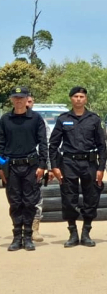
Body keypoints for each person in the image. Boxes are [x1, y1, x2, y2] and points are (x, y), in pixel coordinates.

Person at [48, 86, 107, 247]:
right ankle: (73, 233)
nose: (79, 99)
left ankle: (86, 232)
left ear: (86, 99)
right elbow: (53, 145)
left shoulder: (94, 119)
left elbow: (102, 146)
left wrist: (101, 168)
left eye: (82, 96)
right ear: (71, 99)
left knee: (92, 196)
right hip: (68, 163)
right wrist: (54, 166)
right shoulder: (63, 119)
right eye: (76, 96)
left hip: (89, 163)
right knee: (68, 197)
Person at [0, 86, 47, 251]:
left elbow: (43, 143)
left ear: (27, 98)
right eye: (15, 97)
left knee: (29, 202)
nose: (18, 100)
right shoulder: (5, 119)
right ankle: (16, 237)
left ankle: (28, 236)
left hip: (31, 167)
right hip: (11, 167)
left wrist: (42, 165)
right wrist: (1, 167)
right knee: (15, 202)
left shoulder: (35, 119)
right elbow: (0, 144)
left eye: (21, 97)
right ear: (11, 99)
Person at [26, 95, 46, 243]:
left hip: (36, 166)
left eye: (30, 101)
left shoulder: (39, 121)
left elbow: (47, 145)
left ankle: (35, 229)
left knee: (36, 198)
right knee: (18, 199)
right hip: (16, 166)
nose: (27, 104)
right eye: (25, 100)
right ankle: (21, 229)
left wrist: (47, 167)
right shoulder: (9, 119)